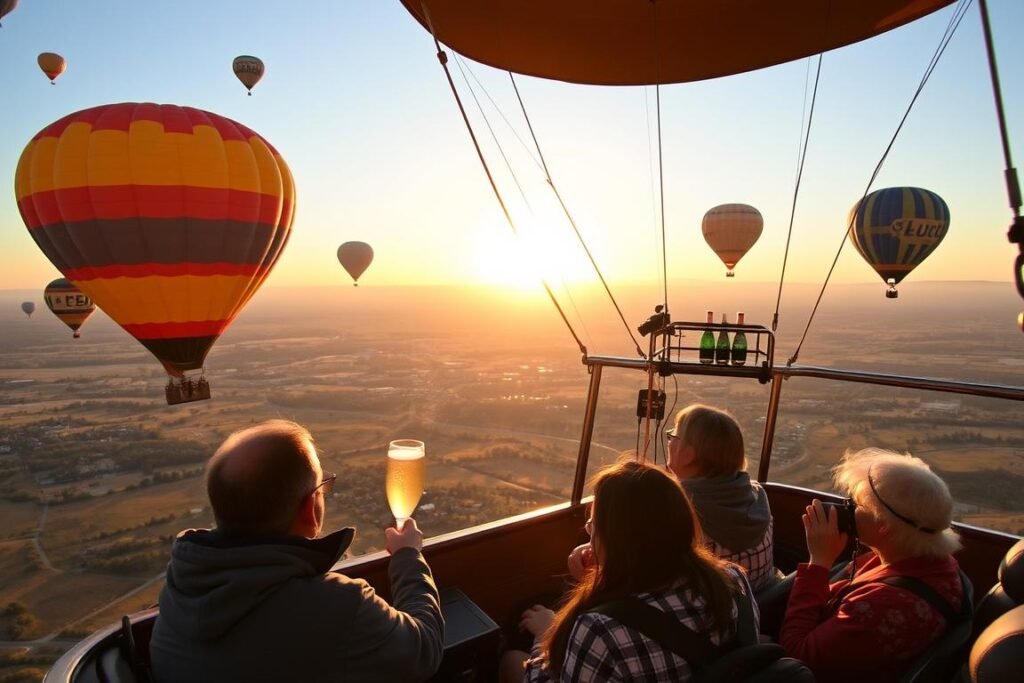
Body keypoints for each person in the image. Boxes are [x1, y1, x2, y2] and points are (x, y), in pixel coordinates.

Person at [149, 420, 444, 683]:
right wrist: (407, 556)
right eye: (321, 488)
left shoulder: (180, 585)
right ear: (309, 510)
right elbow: (424, 650)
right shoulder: (338, 605)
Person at [501, 459, 756, 682]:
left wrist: (546, 639)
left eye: (593, 528)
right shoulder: (734, 582)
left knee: (511, 661)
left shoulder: (600, 631)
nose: (590, 537)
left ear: (613, 541)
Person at [779, 447, 964, 683]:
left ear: (883, 524)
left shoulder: (880, 610)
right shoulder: (925, 561)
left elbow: (796, 658)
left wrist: (819, 563)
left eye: (856, 503)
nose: (847, 508)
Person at [566, 405, 777, 593]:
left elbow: (634, 577)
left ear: (688, 454)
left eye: (673, 437)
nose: (669, 443)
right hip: (754, 613)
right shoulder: (757, 495)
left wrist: (590, 555)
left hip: (702, 619)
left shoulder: (678, 512)